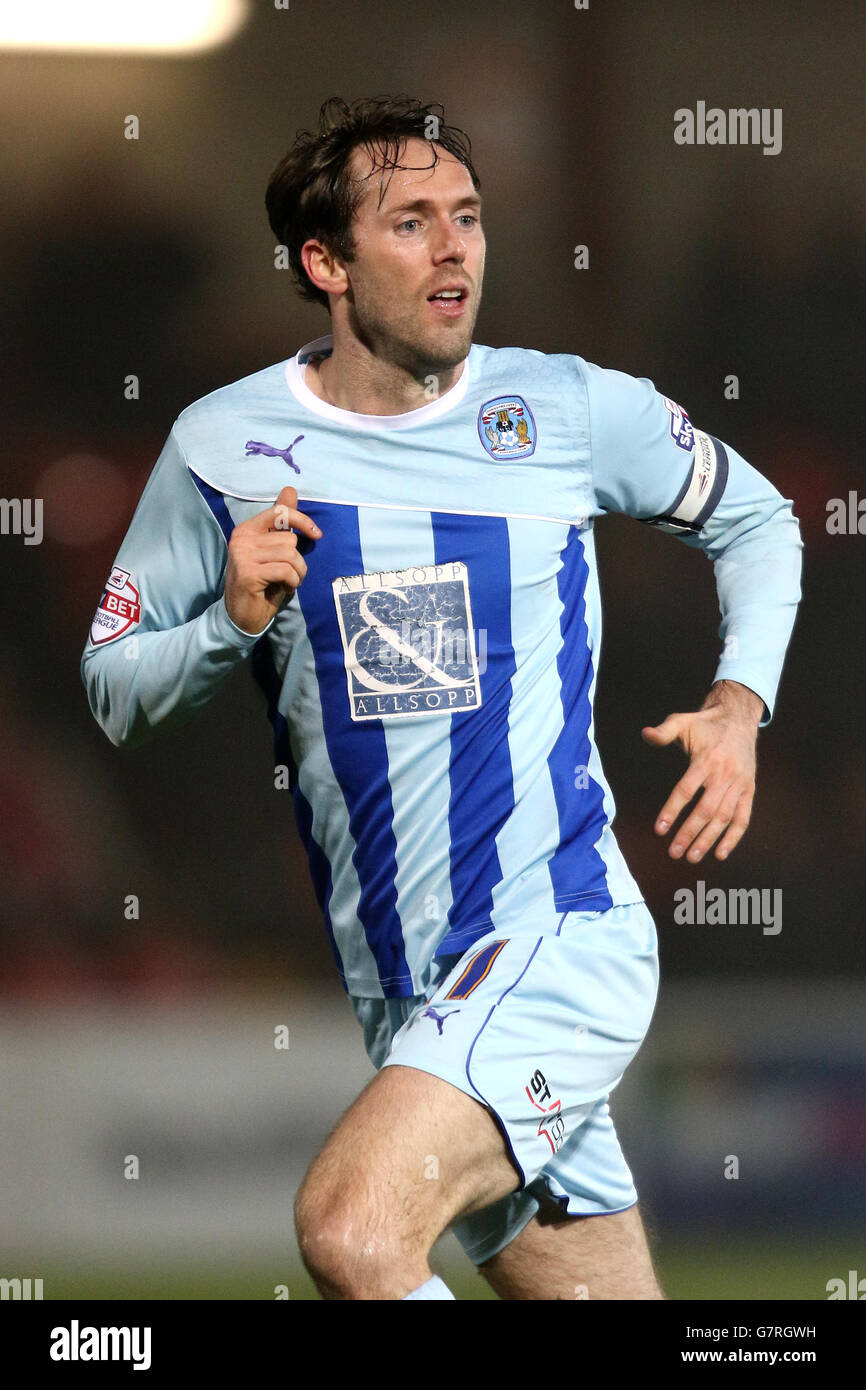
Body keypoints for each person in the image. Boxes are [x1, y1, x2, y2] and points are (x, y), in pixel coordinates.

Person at [81, 96, 803, 1300]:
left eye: (465, 216)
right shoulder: (220, 448)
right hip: (408, 988)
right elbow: (114, 690)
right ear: (324, 263)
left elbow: (760, 518)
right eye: (410, 222)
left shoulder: (564, 408)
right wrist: (227, 625)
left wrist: (739, 703)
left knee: (351, 1232)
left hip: (558, 936)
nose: (455, 245)